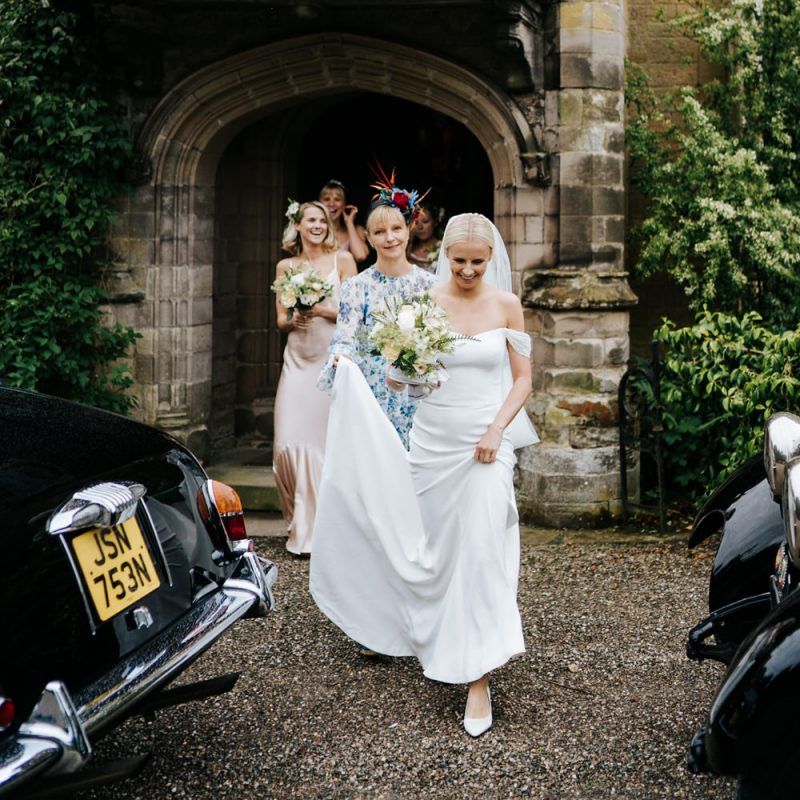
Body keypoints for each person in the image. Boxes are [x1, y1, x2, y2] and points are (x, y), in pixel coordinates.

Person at [310, 213, 539, 737]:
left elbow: (522, 382)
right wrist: (407, 370)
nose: (467, 270)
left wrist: (496, 432)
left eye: (477, 263)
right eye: (459, 261)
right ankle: (436, 632)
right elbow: (399, 378)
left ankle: (477, 678)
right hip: (433, 443)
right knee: (440, 551)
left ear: (491, 260)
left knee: (480, 548)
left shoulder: (507, 306)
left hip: (486, 441)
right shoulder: (423, 305)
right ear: (445, 257)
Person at [317, 174, 435, 448]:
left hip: (414, 393)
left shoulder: (430, 285)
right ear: (368, 238)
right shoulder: (357, 287)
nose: (390, 238)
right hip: (371, 393)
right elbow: (343, 337)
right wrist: (340, 356)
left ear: (409, 228)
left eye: (396, 228)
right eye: (380, 232)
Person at [273, 201, 357, 555]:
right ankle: (298, 522)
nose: (318, 225)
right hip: (297, 360)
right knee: (286, 442)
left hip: (330, 362)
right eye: (311, 220)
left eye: (323, 220)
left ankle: (321, 531)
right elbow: (279, 319)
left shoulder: (344, 261)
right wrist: (295, 317)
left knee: (321, 446)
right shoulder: (286, 266)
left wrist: (320, 307)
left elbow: (354, 313)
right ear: (298, 225)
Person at [318, 179, 370, 262]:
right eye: (327, 199)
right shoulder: (314, 231)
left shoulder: (357, 230)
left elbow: (361, 256)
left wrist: (349, 223)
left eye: (337, 199)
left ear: (344, 204)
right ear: (319, 203)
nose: (331, 204)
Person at [406, 205, 442, 273]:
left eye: (425, 221)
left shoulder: (443, 249)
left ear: (435, 222)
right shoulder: (408, 249)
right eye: (416, 223)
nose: (420, 227)